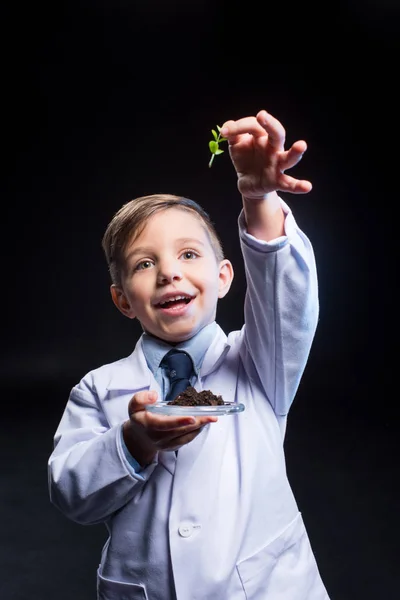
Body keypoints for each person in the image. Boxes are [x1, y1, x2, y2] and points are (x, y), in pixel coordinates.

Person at [48, 109, 330, 600]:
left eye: (189, 255)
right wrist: (134, 442)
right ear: (122, 300)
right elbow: (71, 493)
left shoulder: (260, 361)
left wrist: (259, 197)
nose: (169, 273)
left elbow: (288, 300)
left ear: (224, 277)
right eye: (144, 263)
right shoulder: (98, 389)